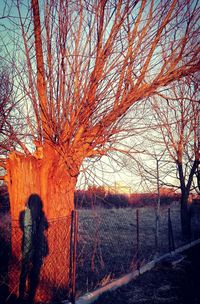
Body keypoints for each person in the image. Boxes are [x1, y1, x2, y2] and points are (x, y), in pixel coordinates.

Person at [19, 194, 48, 303]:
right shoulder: (26, 214)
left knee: (30, 270)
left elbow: (44, 226)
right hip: (30, 246)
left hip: (33, 245)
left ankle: (26, 295)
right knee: (26, 270)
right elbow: (27, 231)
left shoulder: (37, 214)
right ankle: (23, 296)